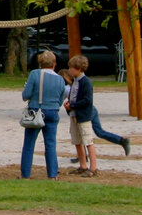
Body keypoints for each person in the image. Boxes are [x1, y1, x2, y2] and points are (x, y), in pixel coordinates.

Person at [19, 49, 66, 180]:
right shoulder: (60, 79)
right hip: (53, 111)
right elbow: (61, 100)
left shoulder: (35, 74)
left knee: (29, 143)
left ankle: (25, 174)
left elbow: (25, 95)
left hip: (36, 110)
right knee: (50, 144)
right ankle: (52, 174)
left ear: (40, 63)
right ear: (54, 64)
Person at [65, 55, 99, 176]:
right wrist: (69, 107)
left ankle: (93, 167)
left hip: (83, 117)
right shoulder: (74, 82)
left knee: (88, 141)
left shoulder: (86, 82)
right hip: (74, 116)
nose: (69, 70)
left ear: (79, 69)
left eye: (71, 68)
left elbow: (87, 100)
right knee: (77, 141)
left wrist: (73, 105)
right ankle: (83, 165)